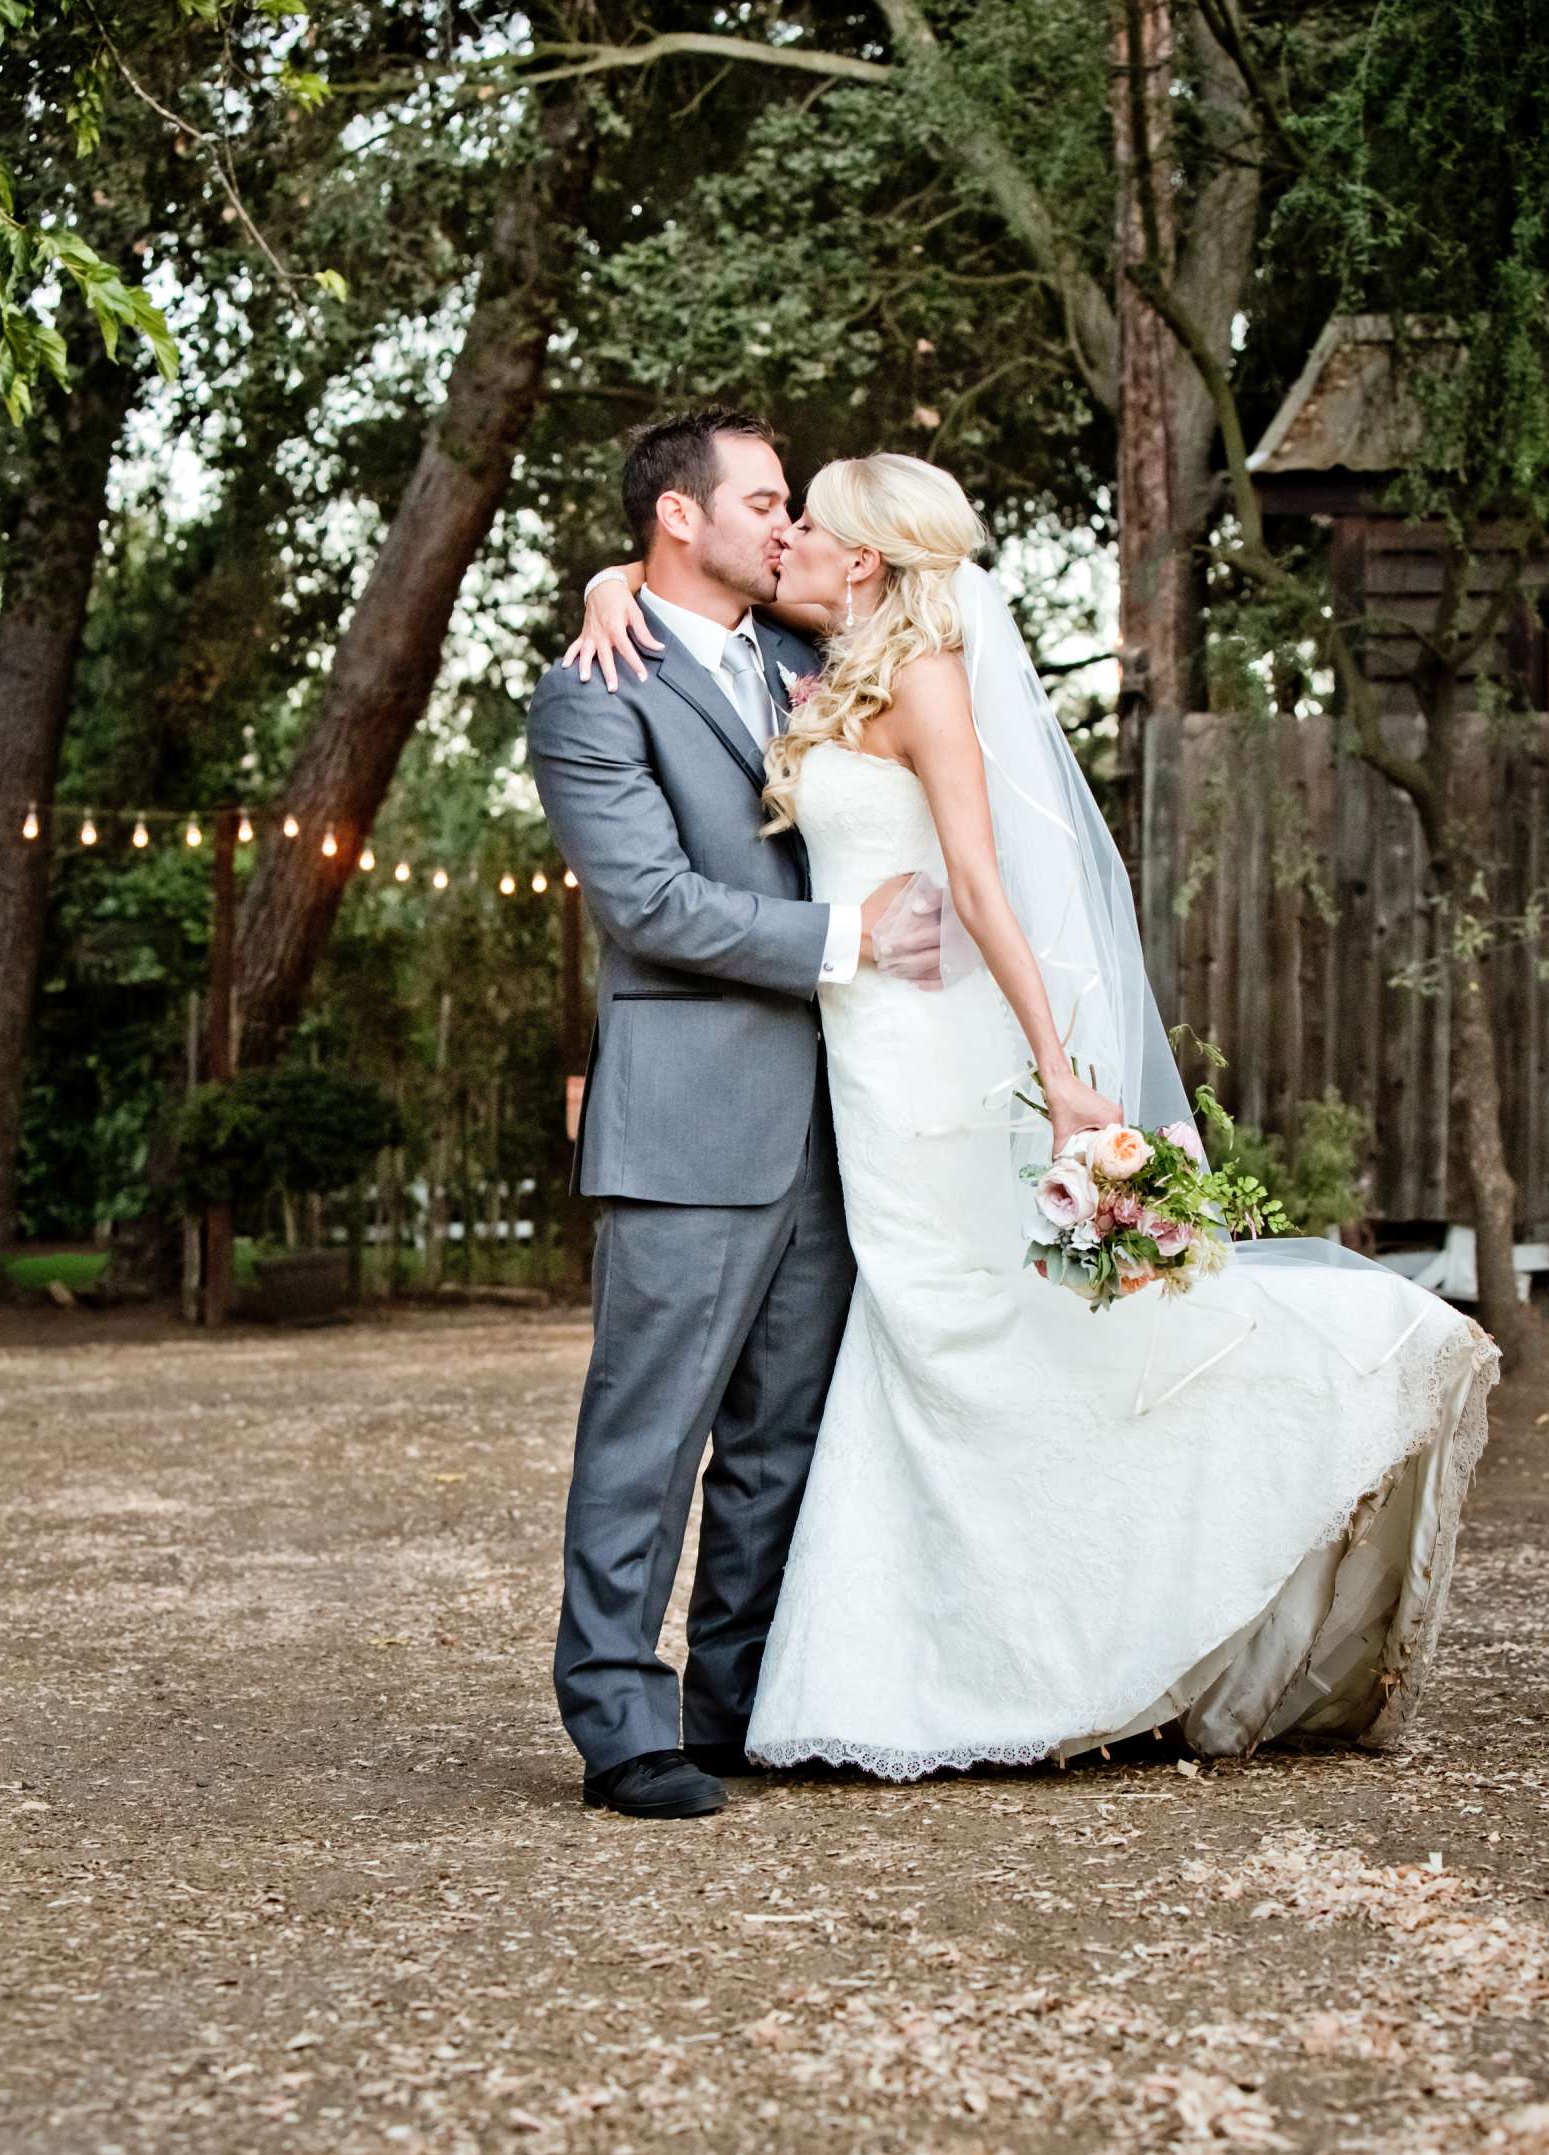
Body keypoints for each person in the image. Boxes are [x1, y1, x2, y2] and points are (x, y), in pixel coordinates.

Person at [568, 447, 1499, 1781]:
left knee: (936, 1349)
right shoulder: (781, 663)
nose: (784, 541)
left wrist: (1062, 1071)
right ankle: (761, 1693)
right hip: (836, 1072)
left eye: (800, 520)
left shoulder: (902, 675)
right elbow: (664, 755)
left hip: (915, 1061)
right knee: (851, 1372)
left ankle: (1000, 1652)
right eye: (767, 511)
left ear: (864, 557)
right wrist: (613, 584)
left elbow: (986, 890)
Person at [526, 409, 957, 1819]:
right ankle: (619, 1723)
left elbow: (918, 611)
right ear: (678, 519)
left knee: (785, 1436)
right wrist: (848, 940)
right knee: (648, 1433)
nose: (787, 527)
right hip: (694, 1118)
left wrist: (614, 578)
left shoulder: (796, 659)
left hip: (843, 1117)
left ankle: (739, 1703)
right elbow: (646, 906)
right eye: (765, 502)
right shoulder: (592, 692)